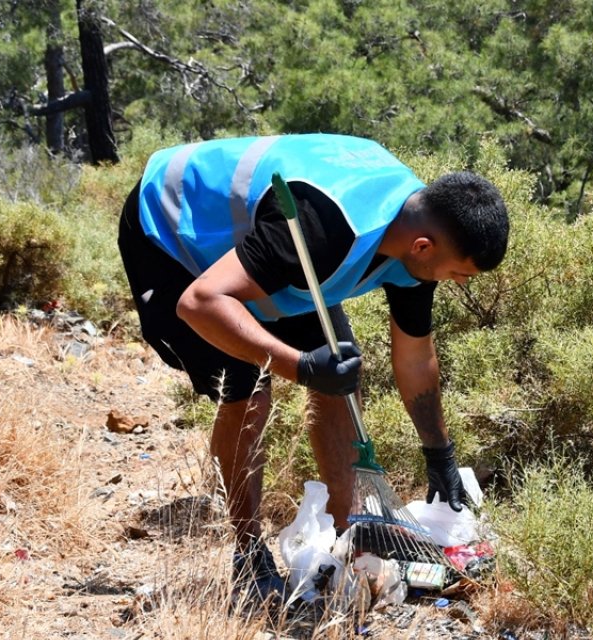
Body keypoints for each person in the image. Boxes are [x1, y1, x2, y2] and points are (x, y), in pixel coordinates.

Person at [117, 134, 510, 605]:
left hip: (266, 251)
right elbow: (200, 302)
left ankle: (350, 536)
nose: (461, 284)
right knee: (249, 387)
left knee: (341, 374)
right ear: (424, 246)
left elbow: (415, 358)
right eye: (461, 273)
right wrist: (301, 367)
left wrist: (438, 451)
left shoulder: (416, 241)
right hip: (172, 233)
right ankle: (247, 556)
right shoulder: (325, 228)